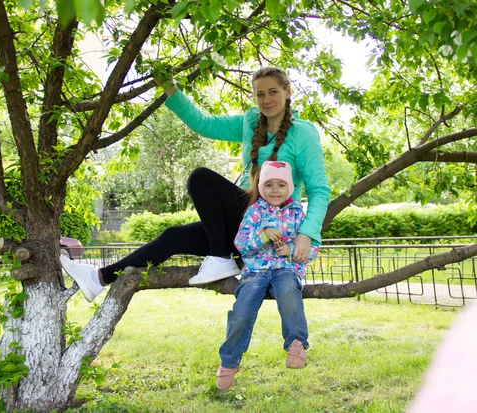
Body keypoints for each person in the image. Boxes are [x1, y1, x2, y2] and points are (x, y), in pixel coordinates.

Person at [61, 66, 331, 303]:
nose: (266, 99)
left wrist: (306, 234)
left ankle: (220, 257)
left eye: (273, 92)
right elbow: (204, 124)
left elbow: (319, 190)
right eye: (260, 94)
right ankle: (98, 278)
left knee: (201, 178)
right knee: (173, 236)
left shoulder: (302, 133)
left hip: (271, 226)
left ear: (287, 91)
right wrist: (170, 89)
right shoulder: (251, 121)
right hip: (246, 223)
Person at [216, 160, 319, 390]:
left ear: (289, 188)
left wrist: (291, 251)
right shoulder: (255, 212)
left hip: (285, 269)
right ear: (261, 187)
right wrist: (262, 236)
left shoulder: (297, 213)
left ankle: (296, 344)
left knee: (289, 293)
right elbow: (241, 243)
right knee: (242, 309)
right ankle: (229, 361)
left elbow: (312, 248)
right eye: (269, 184)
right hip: (255, 270)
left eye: (281, 185)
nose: (275, 190)